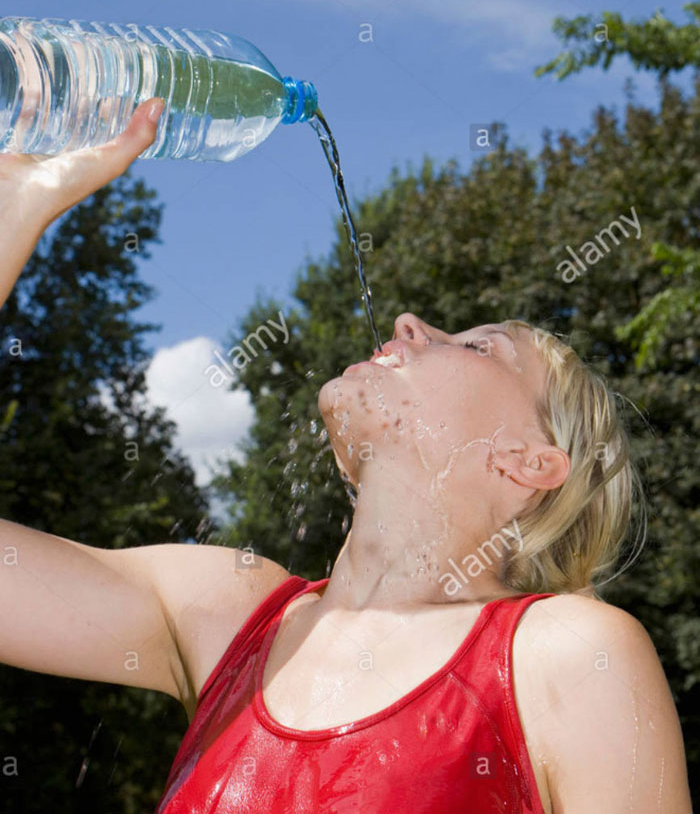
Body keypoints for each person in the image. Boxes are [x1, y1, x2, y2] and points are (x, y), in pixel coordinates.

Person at [0, 98, 693, 814]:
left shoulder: (567, 655)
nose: (409, 323)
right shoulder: (224, 612)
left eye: (481, 345)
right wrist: (20, 205)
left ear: (528, 462)